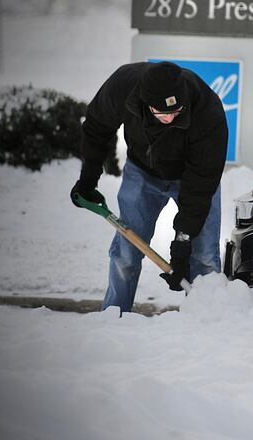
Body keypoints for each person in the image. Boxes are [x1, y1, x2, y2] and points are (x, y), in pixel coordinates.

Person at [70, 61, 228, 312]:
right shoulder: (124, 85)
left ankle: (207, 324)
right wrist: (89, 179)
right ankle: (114, 317)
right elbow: (96, 127)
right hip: (142, 172)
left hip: (192, 178)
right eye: (162, 113)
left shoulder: (206, 109)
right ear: (146, 103)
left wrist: (182, 244)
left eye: (176, 112)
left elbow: (200, 185)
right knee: (125, 255)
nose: (169, 118)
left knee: (205, 259)